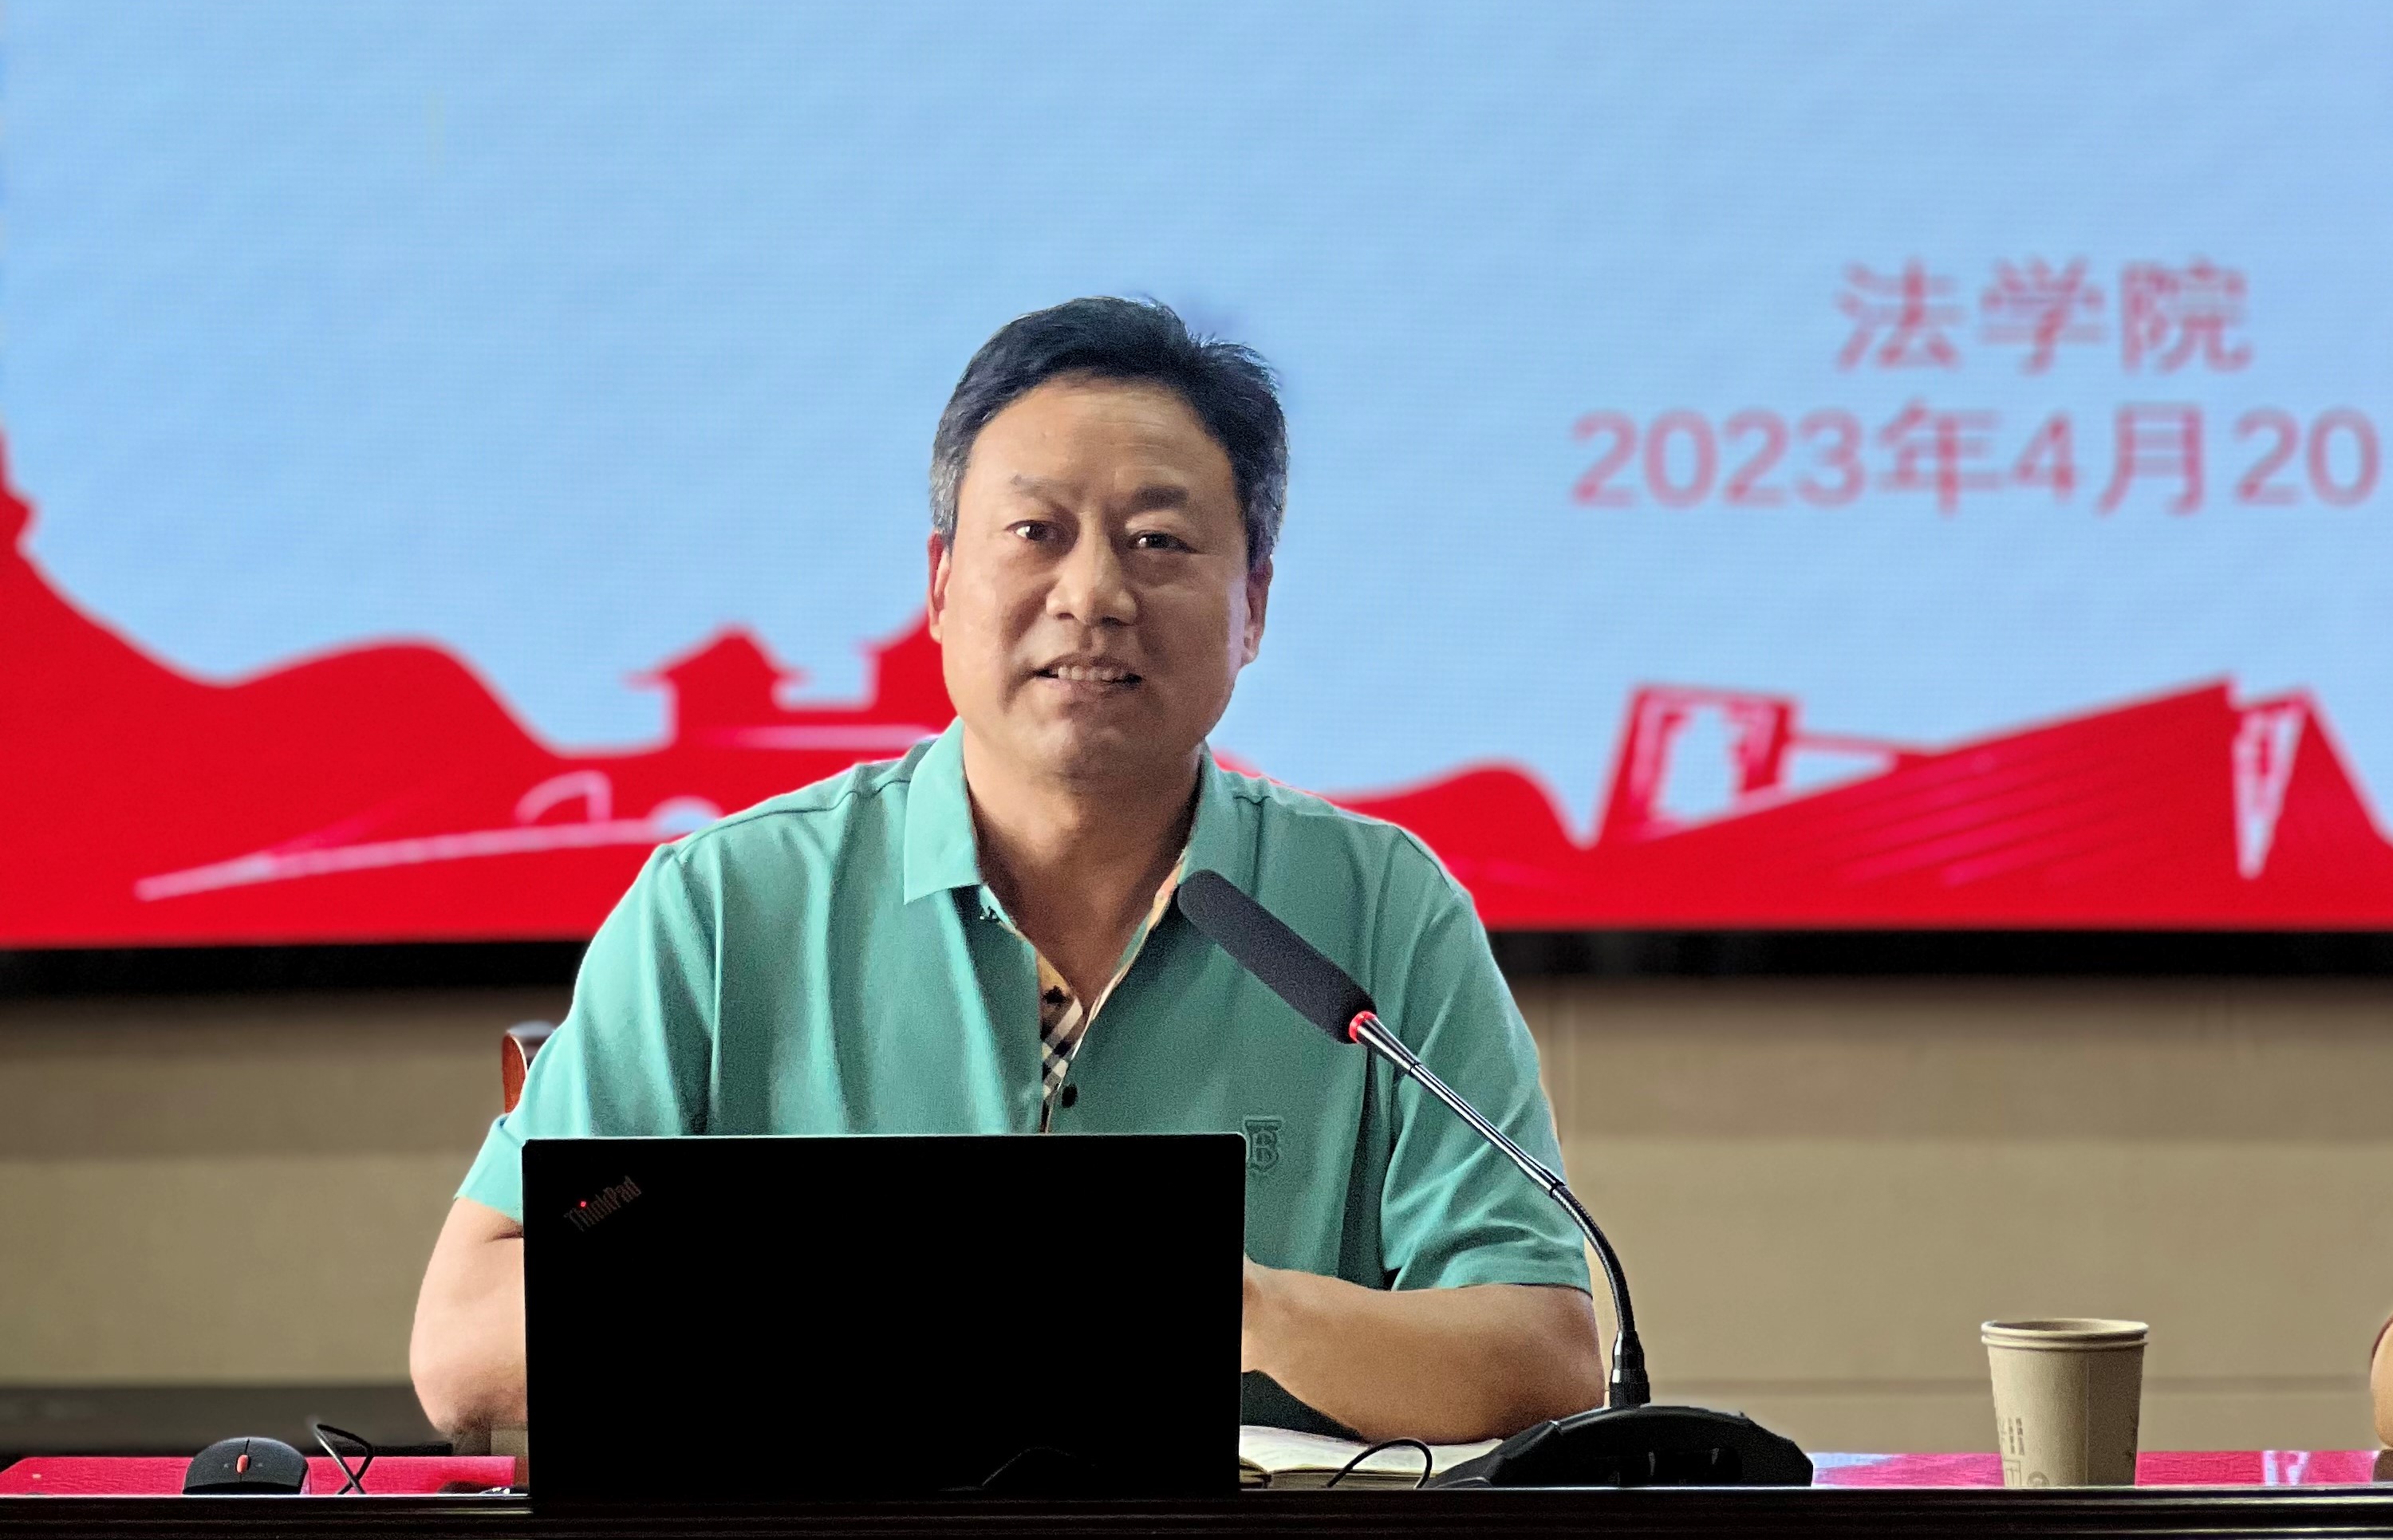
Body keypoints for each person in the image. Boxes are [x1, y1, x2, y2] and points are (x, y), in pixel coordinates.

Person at [411, 297, 1605, 1444]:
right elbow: (465, 1345)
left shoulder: (1380, 909)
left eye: (1158, 541)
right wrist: (912, 1293)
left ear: (1254, 607)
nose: (1093, 595)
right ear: (940, 584)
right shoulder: (725, 907)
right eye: (1036, 533)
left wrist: (1239, 1309)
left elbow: (1544, 1352)